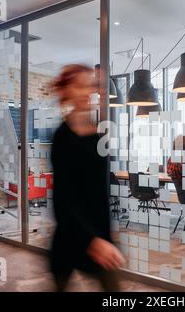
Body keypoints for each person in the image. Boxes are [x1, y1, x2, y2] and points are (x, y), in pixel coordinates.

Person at [50, 64, 125, 292]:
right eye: (79, 86)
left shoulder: (98, 135)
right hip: (73, 237)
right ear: (67, 92)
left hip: (100, 237)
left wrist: (107, 235)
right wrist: (93, 241)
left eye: (89, 86)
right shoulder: (63, 138)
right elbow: (63, 200)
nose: (86, 92)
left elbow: (99, 191)